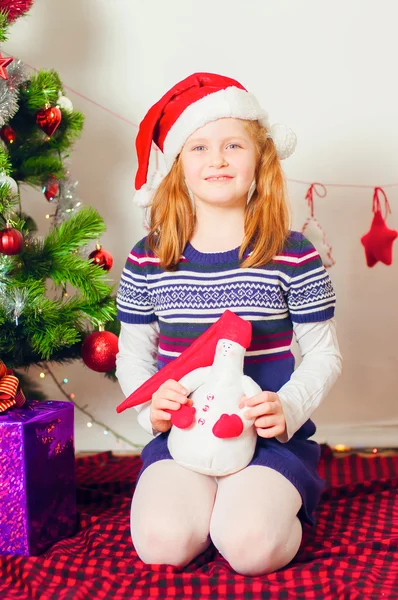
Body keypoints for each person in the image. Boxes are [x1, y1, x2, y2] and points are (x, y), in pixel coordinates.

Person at [115, 72, 342, 576]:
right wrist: (150, 407)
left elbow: (325, 354)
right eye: (198, 146)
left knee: (251, 547)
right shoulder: (147, 259)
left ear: (259, 159)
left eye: (232, 145)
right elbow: (132, 354)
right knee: (161, 544)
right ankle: (203, 501)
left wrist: (287, 404)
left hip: (265, 439)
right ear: (178, 165)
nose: (216, 159)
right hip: (182, 437)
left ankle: (267, 501)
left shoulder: (292, 253)